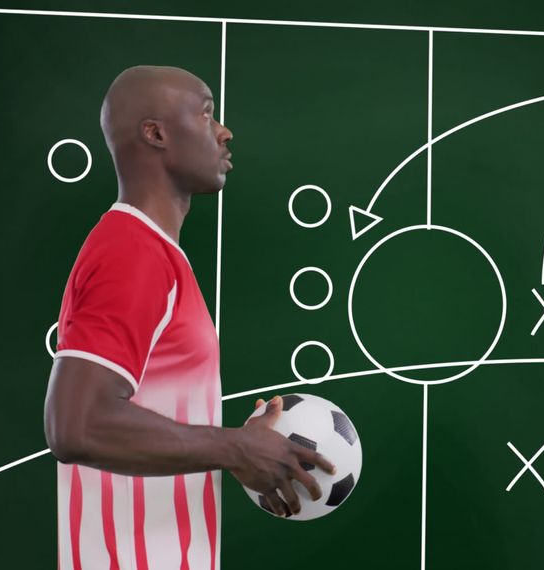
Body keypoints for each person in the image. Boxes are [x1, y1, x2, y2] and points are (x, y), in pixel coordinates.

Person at [43, 65, 335, 570]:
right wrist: (234, 448)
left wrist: (238, 445)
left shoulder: (155, 252)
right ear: (155, 134)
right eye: (206, 114)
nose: (224, 131)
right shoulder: (131, 251)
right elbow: (75, 425)